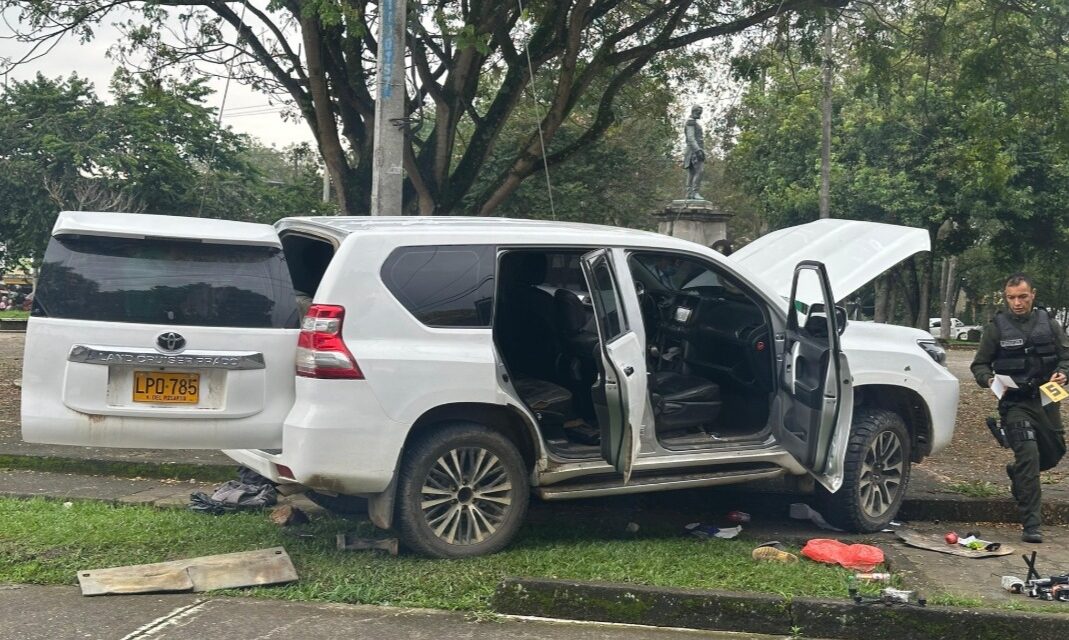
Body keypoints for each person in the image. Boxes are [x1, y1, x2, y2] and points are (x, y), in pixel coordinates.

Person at [971, 273, 1069, 543]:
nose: (1017, 303)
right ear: (1006, 298)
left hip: (1047, 399)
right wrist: (989, 380)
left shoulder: (1049, 323)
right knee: (1028, 456)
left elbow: (1066, 357)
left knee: (1053, 454)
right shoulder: (997, 328)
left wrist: (1063, 373)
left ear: (1032, 295)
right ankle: (1032, 524)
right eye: (1011, 297)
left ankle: (1017, 473)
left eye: (1023, 297)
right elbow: (979, 365)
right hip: (1014, 403)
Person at [683, 105, 706, 200]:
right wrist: (698, 150)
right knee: (699, 170)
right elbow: (691, 138)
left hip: (693, 150)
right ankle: (694, 192)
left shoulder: (693, 122)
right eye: (698, 113)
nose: (700, 115)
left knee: (692, 172)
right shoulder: (691, 122)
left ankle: (689, 193)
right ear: (693, 112)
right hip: (693, 151)